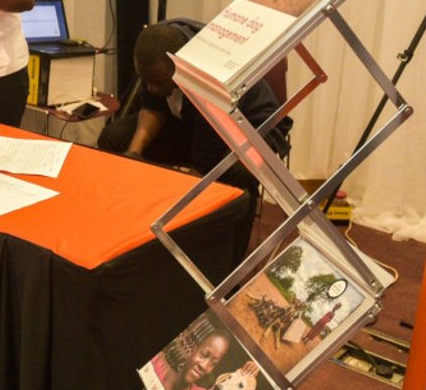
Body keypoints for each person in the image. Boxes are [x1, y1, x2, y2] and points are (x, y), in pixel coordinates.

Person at [98, 19, 288, 253]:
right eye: (146, 81)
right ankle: (123, 232)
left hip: (250, 127)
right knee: (115, 138)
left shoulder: (209, 74)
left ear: (180, 68)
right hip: (191, 117)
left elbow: (206, 158)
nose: (151, 89)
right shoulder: (158, 49)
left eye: (158, 82)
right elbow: (153, 107)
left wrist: (169, 201)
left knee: (238, 171)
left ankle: (228, 262)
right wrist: (133, 153)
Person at [150, 313, 231, 390]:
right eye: (204, 354)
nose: (204, 366)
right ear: (192, 348)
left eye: (213, 363)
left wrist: (247, 373)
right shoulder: (155, 362)